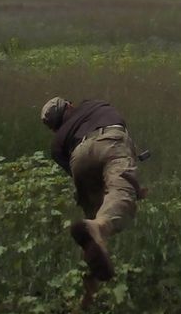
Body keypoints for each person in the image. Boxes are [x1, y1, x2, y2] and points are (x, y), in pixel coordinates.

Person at [40, 96, 143, 283]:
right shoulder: (93, 105)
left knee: (95, 217)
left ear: (54, 128)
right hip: (111, 139)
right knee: (119, 196)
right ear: (69, 105)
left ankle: (90, 274)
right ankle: (100, 229)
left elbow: (75, 174)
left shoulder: (56, 144)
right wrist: (130, 186)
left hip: (77, 157)